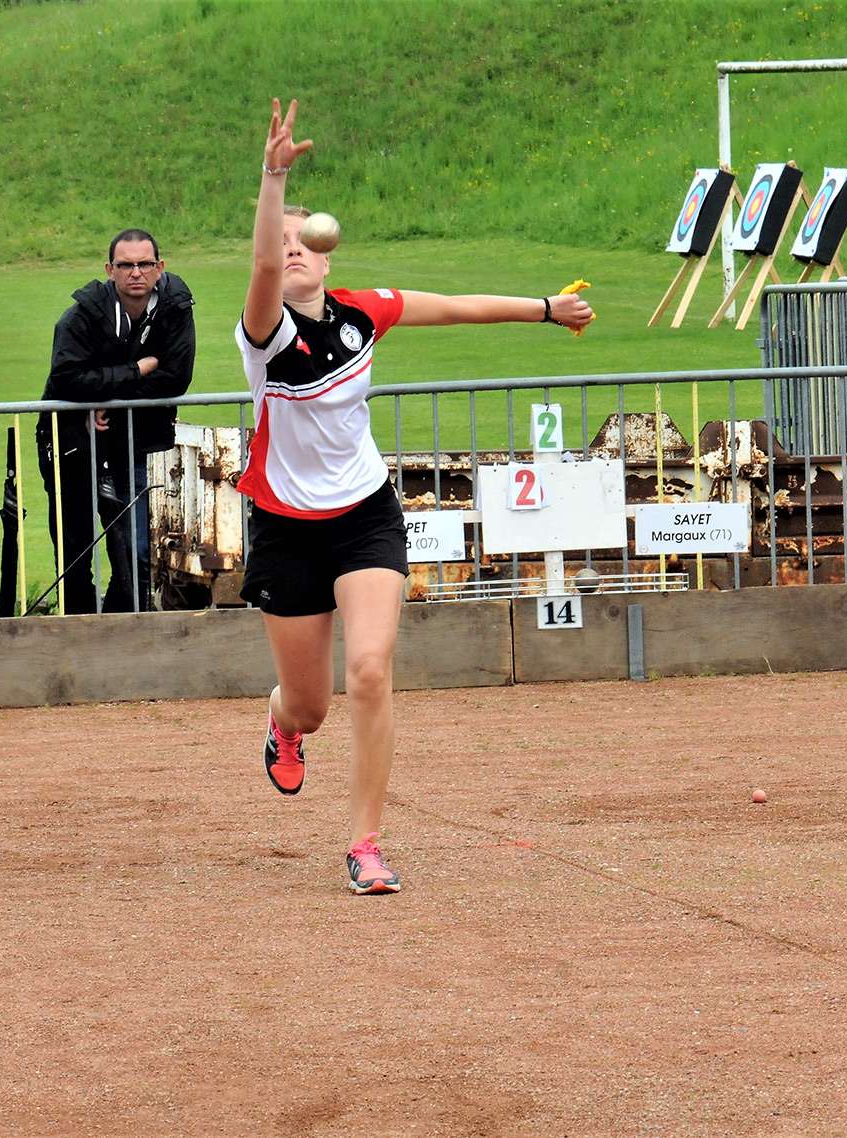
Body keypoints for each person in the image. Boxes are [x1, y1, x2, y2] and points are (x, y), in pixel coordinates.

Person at [236, 99, 594, 894]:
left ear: (327, 259)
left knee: (369, 669)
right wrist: (273, 176)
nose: (291, 252)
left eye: (304, 243)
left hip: (364, 516)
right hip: (287, 528)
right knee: (312, 703)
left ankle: (364, 843)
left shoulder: (364, 312)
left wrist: (545, 309)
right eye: (282, 243)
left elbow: (454, 306)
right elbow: (261, 270)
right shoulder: (264, 336)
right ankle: (282, 723)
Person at [36, 229, 195, 614]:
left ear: (160, 267)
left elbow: (176, 376)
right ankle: (77, 626)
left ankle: (120, 623)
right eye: (125, 265)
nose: (135, 273)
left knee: (135, 548)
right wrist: (134, 371)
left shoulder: (176, 307)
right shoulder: (82, 313)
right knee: (74, 547)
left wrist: (107, 397)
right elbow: (66, 378)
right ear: (110, 269)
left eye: (144, 264)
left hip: (135, 442)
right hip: (72, 440)